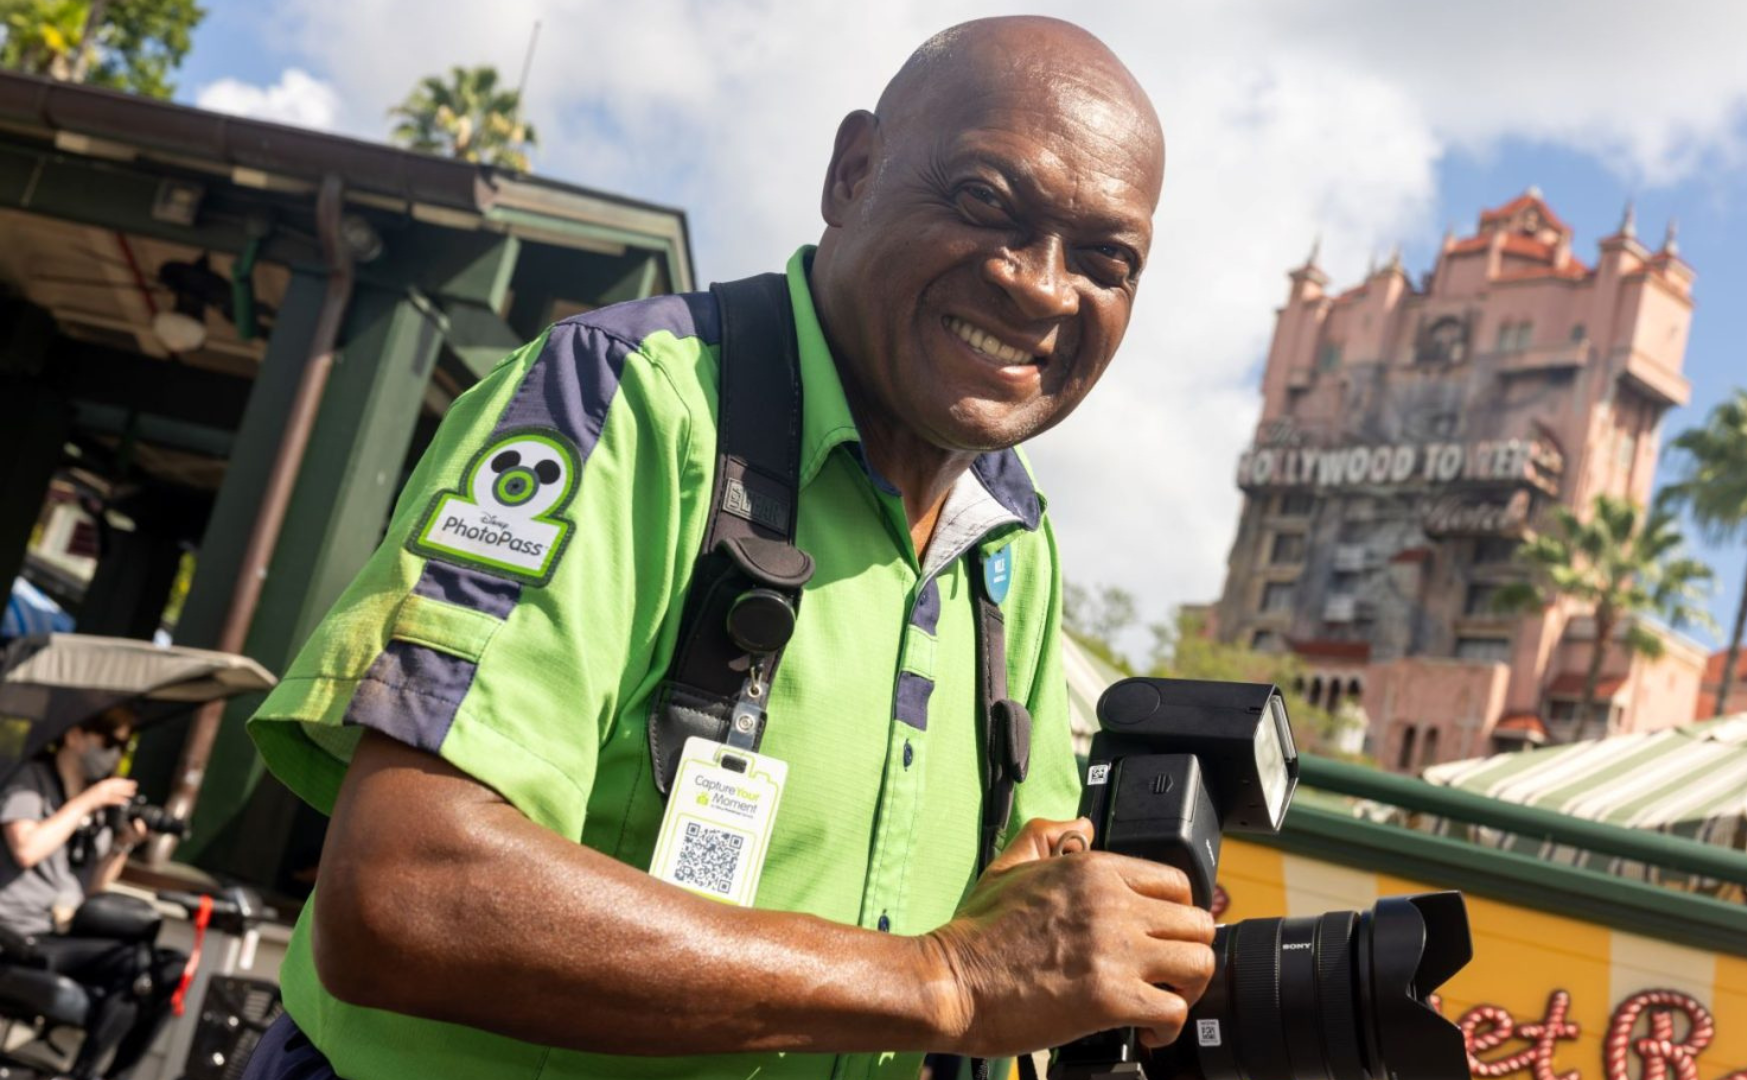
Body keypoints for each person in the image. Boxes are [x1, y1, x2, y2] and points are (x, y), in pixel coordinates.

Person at [241, 15, 1212, 1080]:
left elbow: (1017, 935)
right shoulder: (626, 404)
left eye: (1106, 260)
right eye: (987, 201)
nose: (1040, 284)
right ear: (852, 173)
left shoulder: (1011, 542)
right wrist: (943, 980)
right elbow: (402, 893)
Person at [0, 707, 185, 1078]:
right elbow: (26, 848)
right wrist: (88, 801)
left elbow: (93, 892)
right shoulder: (31, 780)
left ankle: (113, 1074)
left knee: (168, 968)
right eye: (110, 742)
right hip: (14, 935)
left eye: (124, 746)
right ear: (74, 736)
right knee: (134, 964)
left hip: (59, 934)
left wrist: (122, 845)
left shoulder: (97, 809)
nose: (116, 754)